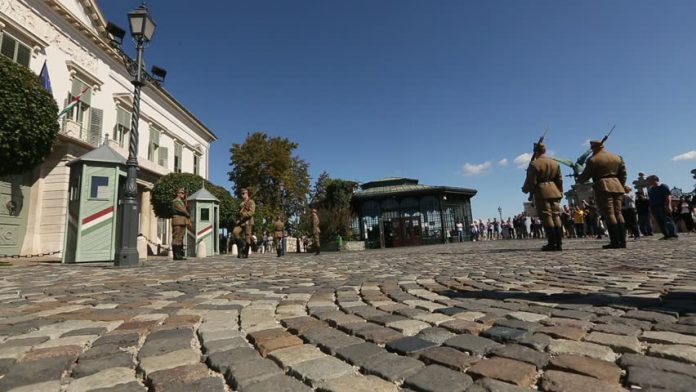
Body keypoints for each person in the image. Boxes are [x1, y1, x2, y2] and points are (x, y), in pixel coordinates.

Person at [577, 140, 628, 249]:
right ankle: (623, 241)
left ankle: (615, 241)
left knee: (609, 214)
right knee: (618, 213)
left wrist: (578, 177)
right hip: (617, 186)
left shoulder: (593, 159)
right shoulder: (617, 157)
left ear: (593, 148)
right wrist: (620, 185)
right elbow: (623, 174)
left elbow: (585, 176)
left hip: (603, 186)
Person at [522, 142, 564, 251]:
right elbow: (559, 179)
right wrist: (560, 192)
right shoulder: (554, 163)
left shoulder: (534, 164)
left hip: (542, 191)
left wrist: (525, 189)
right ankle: (559, 243)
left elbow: (531, 181)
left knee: (547, 216)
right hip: (554, 190)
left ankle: (552, 243)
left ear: (535, 151)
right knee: (556, 215)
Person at [647, 175, 678, 240]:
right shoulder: (651, 189)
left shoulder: (663, 186)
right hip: (654, 208)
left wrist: (668, 205)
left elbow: (668, 196)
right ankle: (666, 235)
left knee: (668, 220)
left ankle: (673, 235)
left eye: (649, 180)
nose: (648, 182)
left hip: (662, 206)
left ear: (655, 180)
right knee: (660, 222)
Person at [171, 188, 190, 260]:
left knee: (180, 238)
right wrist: (187, 213)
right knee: (176, 238)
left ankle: (180, 255)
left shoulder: (181, 202)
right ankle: (176, 255)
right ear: (178, 194)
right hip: (177, 221)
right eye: (181, 193)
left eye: (183, 193)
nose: (183, 194)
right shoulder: (176, 202)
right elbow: (182, 210)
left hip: (182, 221)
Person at [237, 188, 256, 258]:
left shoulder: (251, 202)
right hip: (242, 222)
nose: (242, 195)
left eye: (243, 193)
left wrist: (244, 214)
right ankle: (243, 250)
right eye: (241, 194)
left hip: (248, 221)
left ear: (247, 193)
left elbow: (252, 212)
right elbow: (239, 213)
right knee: (238, 235)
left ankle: (245, 253)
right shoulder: (241, 203)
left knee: (247, 237)